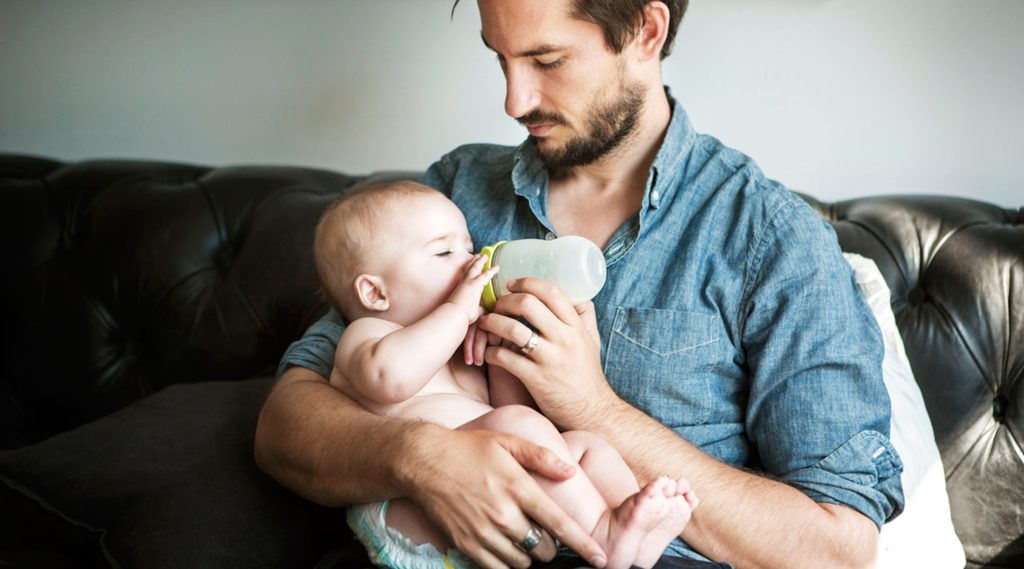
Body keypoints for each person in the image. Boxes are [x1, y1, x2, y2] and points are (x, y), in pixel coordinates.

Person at [255, 1, 905, 568]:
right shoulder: (450, 198)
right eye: (500, 59)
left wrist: (594, 409)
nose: (514, 101)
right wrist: (419, 453)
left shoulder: (771, 239)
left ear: (646, 32)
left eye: (547, 60)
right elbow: (286, 424)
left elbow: (839, 549)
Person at [313, 181, 698, 569]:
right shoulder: (368, 335)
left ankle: (632, 534)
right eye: (444, 252)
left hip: (500, 500)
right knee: (518, 425)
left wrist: (504, 357)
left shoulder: (461, 344)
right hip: (412, 512)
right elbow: (390, 380)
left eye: (468, 247)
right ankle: (601, 534)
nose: (471, 264)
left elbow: (511, 416)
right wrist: (458, 313)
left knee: (583, 444)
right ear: (374, 294)